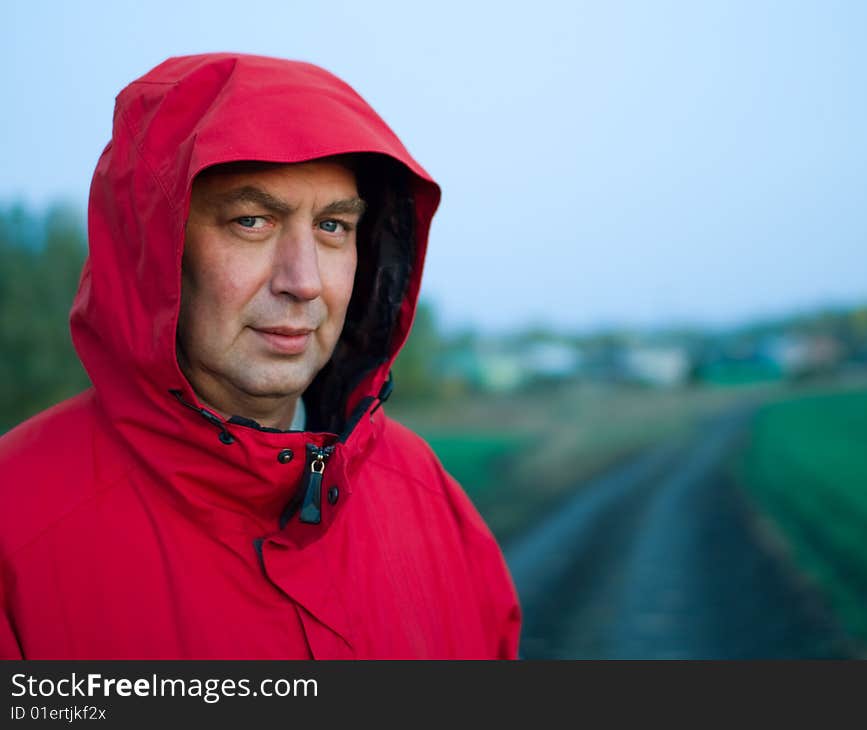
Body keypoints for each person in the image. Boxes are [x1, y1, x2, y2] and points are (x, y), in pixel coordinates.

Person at [0, 53, 521, 659]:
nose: (302, 282)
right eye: (252, 221)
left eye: (333, 227)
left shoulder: (431, 499)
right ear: (153, 246)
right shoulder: (16, 522)